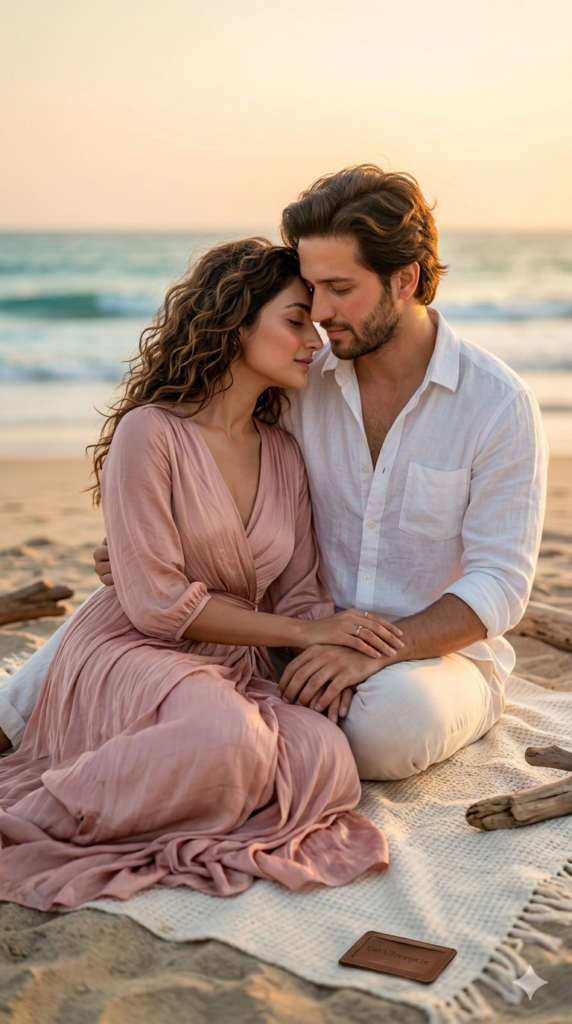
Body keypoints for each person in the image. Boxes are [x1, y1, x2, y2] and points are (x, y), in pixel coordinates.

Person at [0, 165, 547, 782]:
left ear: (405, 279)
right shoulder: (296, 383)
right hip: (287, 634)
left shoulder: (496, 404)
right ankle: (18, 719)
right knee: (114, 622)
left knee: (382, 733)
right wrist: (143, 548)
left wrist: (371, 652)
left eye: (339, 287)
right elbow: (206, 470)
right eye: (311, 289)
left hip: (429, 655)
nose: (321, 312)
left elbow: (500, 582)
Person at [0, 239, 391, 911]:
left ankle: (192, 782)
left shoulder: (283, 452)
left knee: (324, 755)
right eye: (295, 321)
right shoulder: (149, 433)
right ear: (236, 324)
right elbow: (156, 603)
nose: (314, 342)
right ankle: (46, 814)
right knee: (227, 740)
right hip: (136, 648)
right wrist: (305, 632)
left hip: (232, 665)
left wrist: (328, 657)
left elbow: (300, 591)